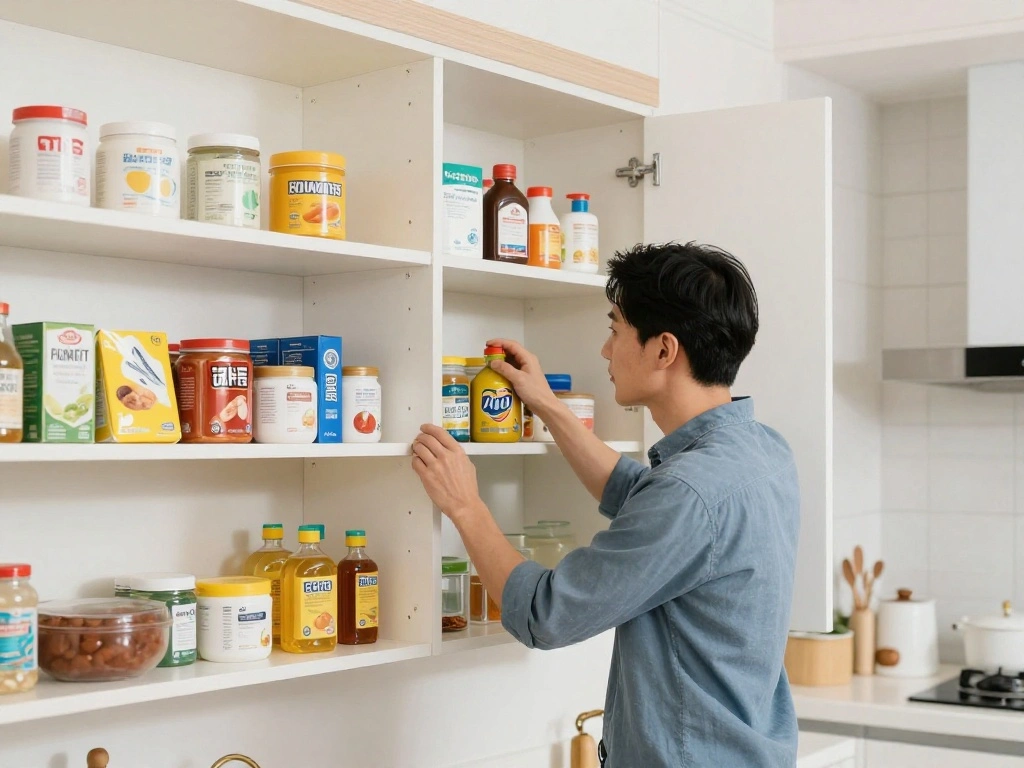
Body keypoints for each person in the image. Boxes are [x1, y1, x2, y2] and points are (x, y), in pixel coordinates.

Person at [411, 242, 800, 767]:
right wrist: (546, 404)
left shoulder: (688, 492)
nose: (604, 350)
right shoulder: (763, 451)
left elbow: (545, 614)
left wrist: (465, 506)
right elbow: (646, 501)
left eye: (615, 330)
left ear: (664, 350)